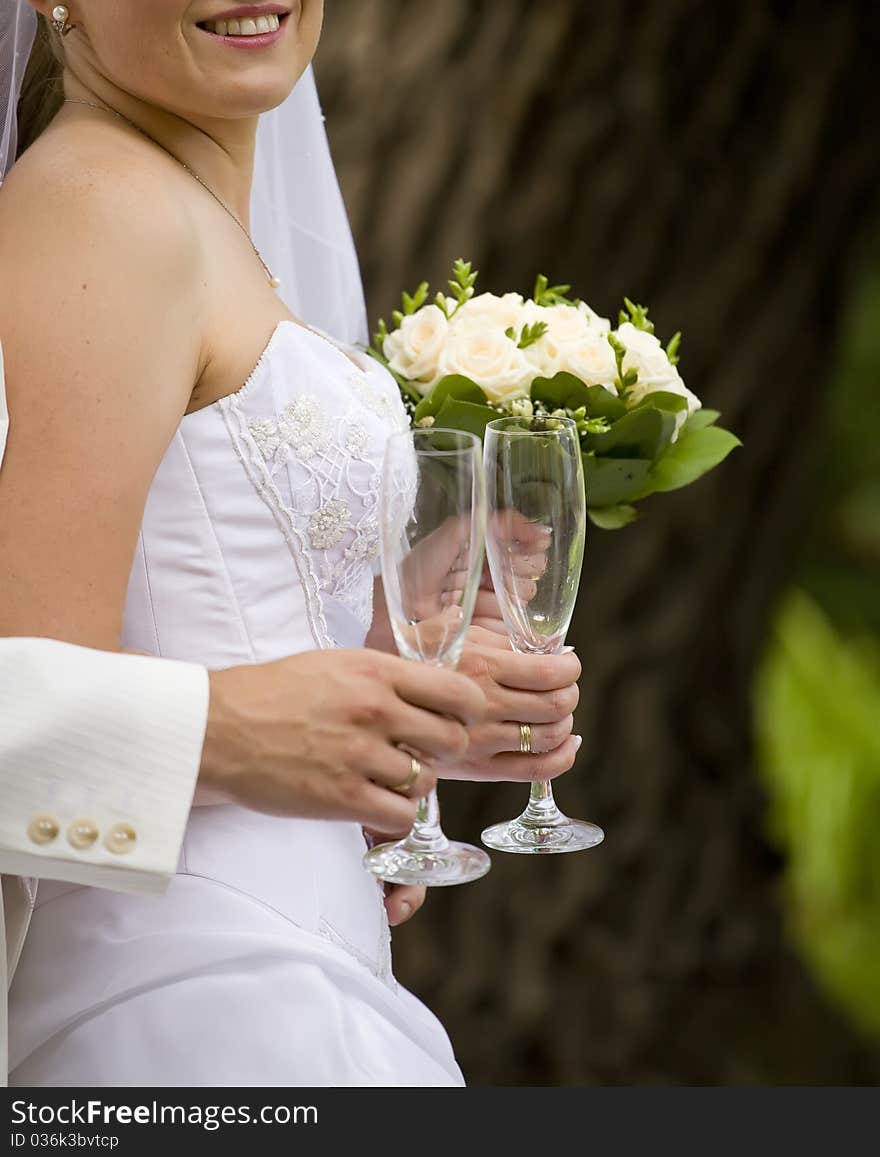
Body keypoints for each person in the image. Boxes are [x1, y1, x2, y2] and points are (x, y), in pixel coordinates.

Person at [0, 0, 581, 1086]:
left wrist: (393, 688)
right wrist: (234, 734)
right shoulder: (101, 209)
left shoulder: (190, 217)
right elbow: (19, 696)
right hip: (195, 1002)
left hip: (295, 958)